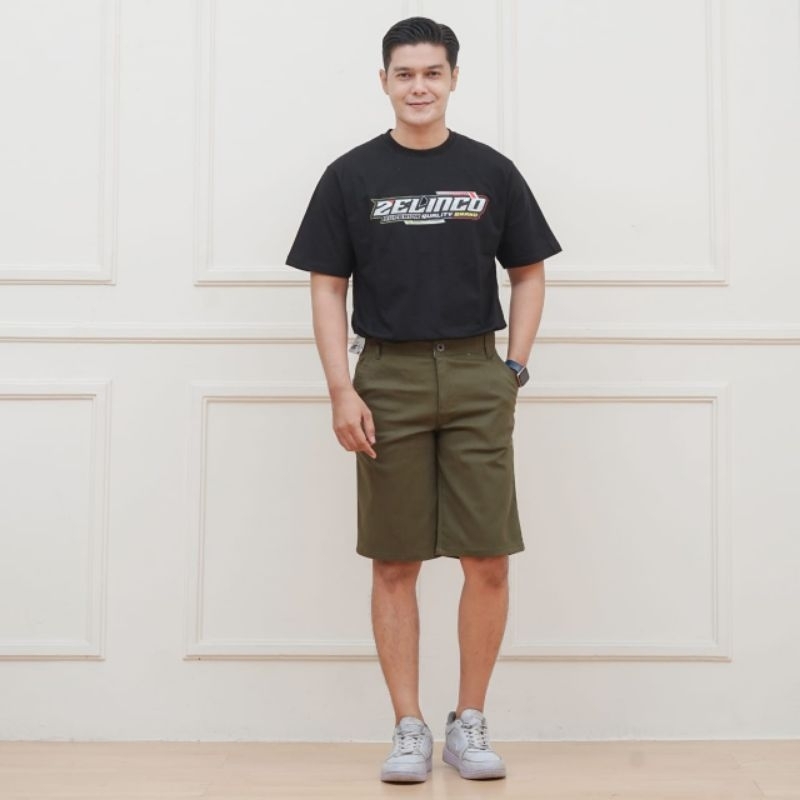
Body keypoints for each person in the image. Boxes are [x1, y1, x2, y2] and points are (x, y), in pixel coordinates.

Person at [286, 16, 561, 783]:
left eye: (432, 73)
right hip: (387, 379)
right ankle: (407, 727)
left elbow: (529, 272)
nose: (418, 87)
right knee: (394, 560)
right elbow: (327, 287)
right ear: (384, 81)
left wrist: (512, 369)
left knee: (489, 558)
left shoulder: (490, 171)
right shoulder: (350, 176)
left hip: (477, 374)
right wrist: (341, 388)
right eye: (404, 74)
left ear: (453, 79)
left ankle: (468, 723)